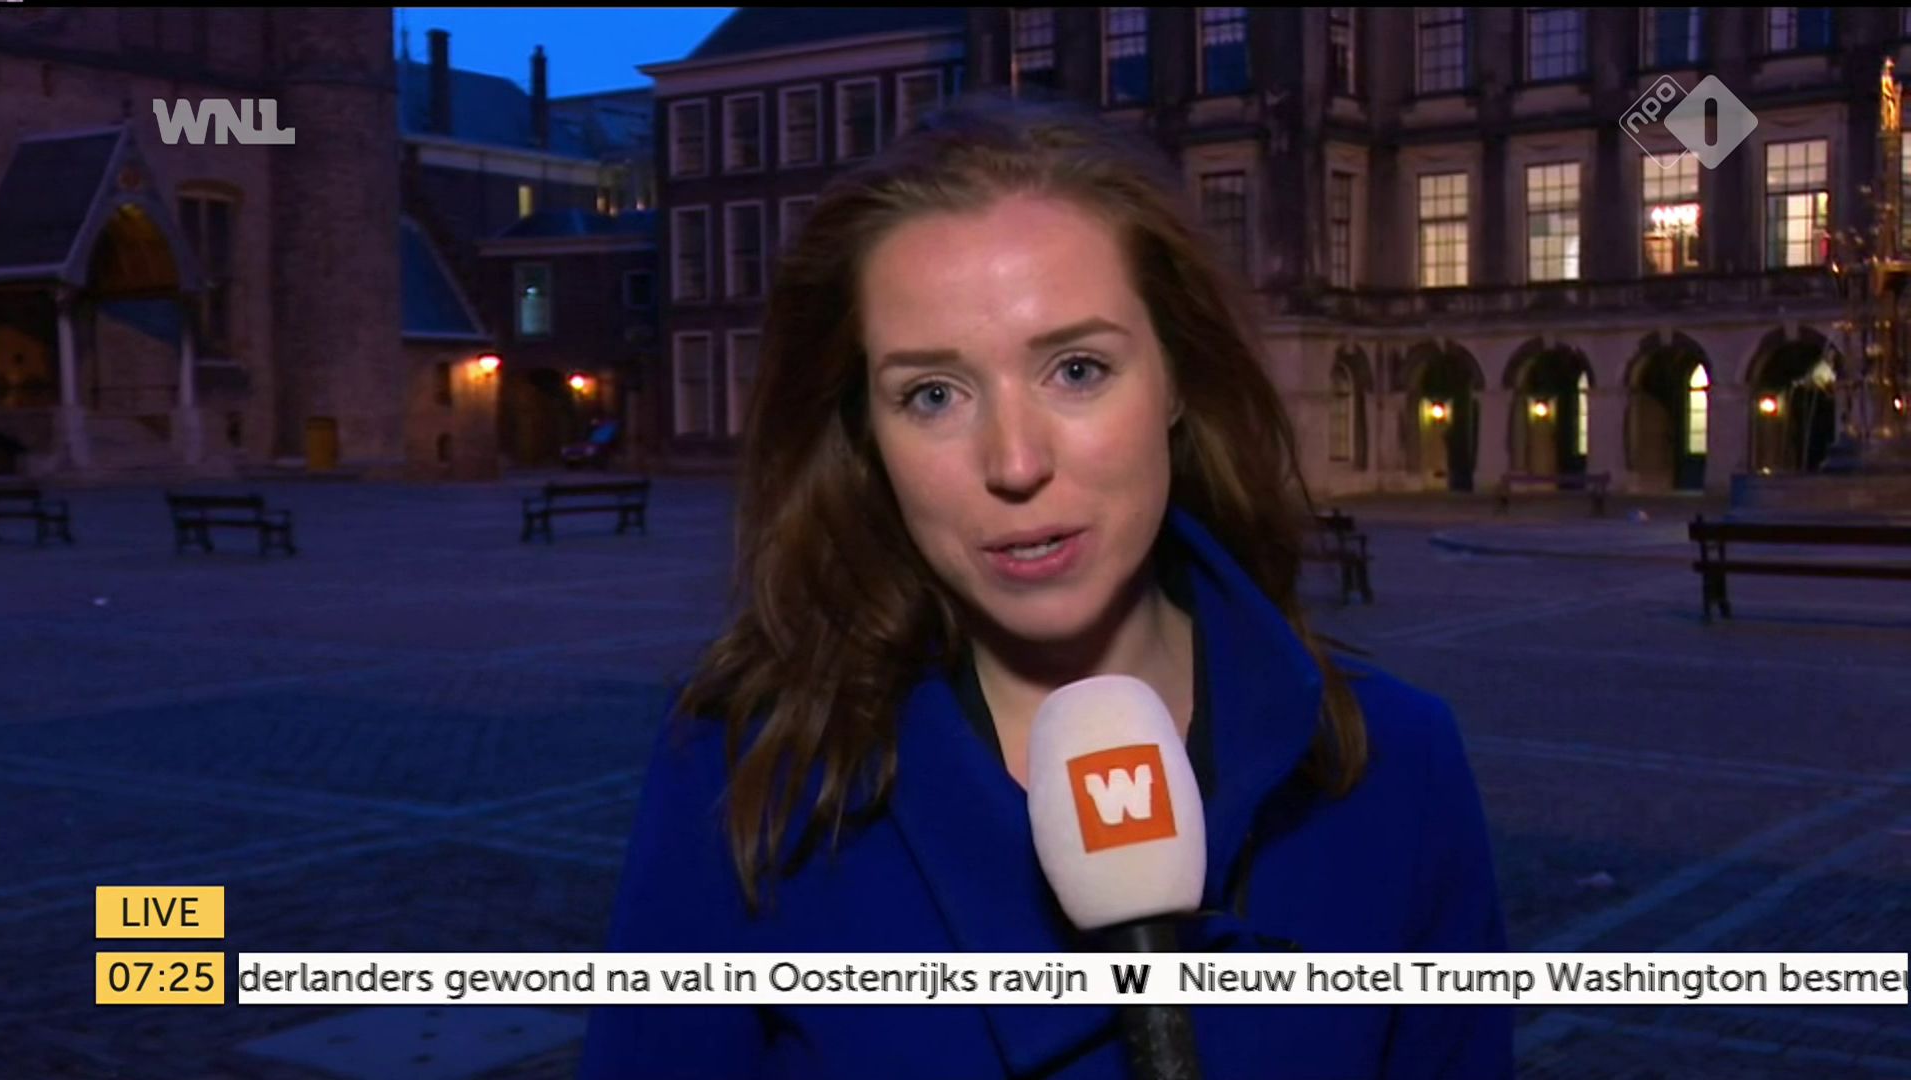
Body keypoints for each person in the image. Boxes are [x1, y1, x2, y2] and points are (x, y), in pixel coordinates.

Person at [579, 94, 1512, 1080]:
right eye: (932, 395)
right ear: (866, 435)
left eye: (1077, 369)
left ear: (1177, 376)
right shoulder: (746, 768)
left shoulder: (1399, 766)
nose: (1015, 462)